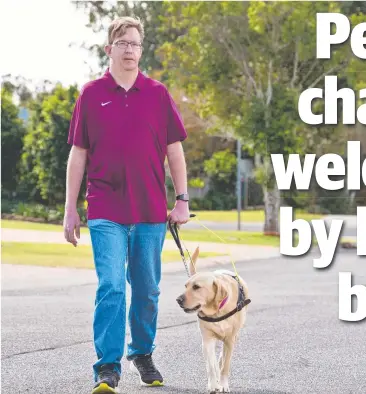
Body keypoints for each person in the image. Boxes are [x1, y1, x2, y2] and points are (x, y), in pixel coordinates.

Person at [63, 16, 190, 394]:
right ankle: (107, 366)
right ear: (110, 49)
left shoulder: (157, 93)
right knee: (113, 287)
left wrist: (182, 201)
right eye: (123, 44)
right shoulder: (90, 94)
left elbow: (175, 153)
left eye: (136, 44)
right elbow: (77, 155)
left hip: (151, 210)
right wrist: (70, 209)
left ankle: (142, 352)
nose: (131, 50)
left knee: (148, 290)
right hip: (105, 210)